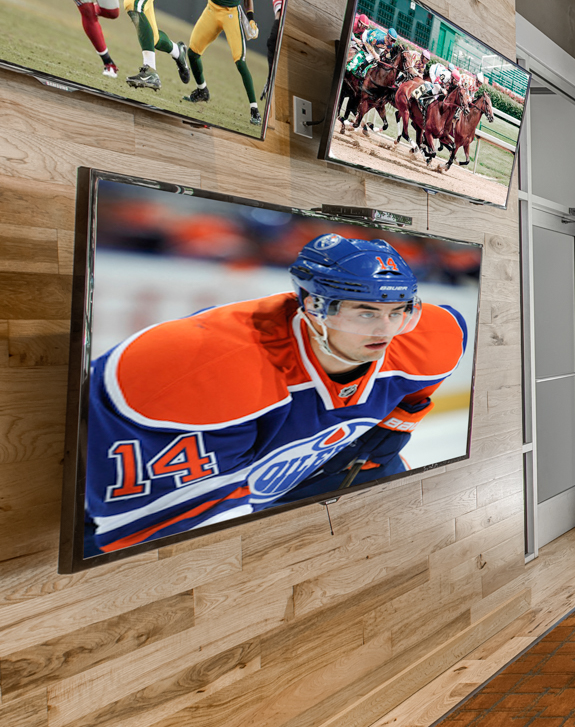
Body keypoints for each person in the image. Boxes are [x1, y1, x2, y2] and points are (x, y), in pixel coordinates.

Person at [82, 234, 468, 556]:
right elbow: (183, 546)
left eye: (399, 311)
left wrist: (377, 448)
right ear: (313, 305)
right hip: (97, 496)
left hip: (278, 467)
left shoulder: (430, 337)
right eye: (364, 312)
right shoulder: (213, 368)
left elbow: (412, 396)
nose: (385, 331)